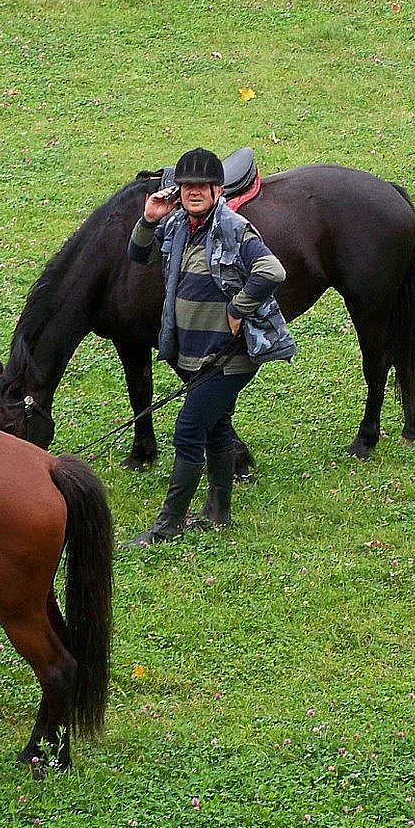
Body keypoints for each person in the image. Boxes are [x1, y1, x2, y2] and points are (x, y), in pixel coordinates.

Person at [124, 148, 296, 546]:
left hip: (229, 356)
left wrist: (239, 306)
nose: (194, 192)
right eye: (187, 186)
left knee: (188, 431)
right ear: (178, 192)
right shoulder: (179, 225)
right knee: (217, 429)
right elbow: (138, 254)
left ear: (218, 189)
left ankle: (166, 527)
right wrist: (149, 218)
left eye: (202, 186)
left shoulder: (234, 227)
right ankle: (218, 513)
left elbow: (273, 270)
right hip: (195, 354)